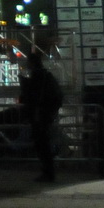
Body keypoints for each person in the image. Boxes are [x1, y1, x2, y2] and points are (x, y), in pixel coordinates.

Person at [20, 52, 63, 182]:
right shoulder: (45, 75)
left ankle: (48, 172)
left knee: (42, 143)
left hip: (41, 114)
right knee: (43, 142)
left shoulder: (38, 76)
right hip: (45, 113)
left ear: (32, 63)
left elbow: (34, 96)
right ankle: (48, 171)